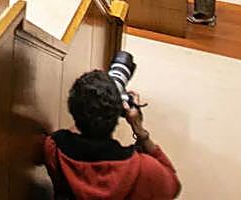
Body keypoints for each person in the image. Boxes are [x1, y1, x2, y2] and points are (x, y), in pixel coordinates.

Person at [39, 70, 180, 199]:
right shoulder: (143, 168)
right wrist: (139, 129)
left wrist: (89, 107)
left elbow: (71, 132)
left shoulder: (54, 149)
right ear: (119, 113)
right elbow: (173, 186)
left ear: (72, 109)